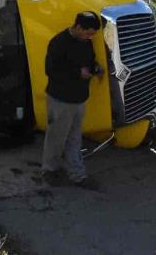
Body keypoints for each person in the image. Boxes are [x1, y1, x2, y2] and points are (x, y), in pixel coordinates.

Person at [41, 11, 102, 188]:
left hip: (79, 98)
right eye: (88, 33)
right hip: (60, 100)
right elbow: (50, 70)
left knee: (75, 138)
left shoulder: (86, 43)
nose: (89, 37)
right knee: (56, 138)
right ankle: (49, 171)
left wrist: (95, 68)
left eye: (92, 34)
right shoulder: (58, 42)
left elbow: (90, 60)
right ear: (78, 27)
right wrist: (77, 72)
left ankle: (77, 175)